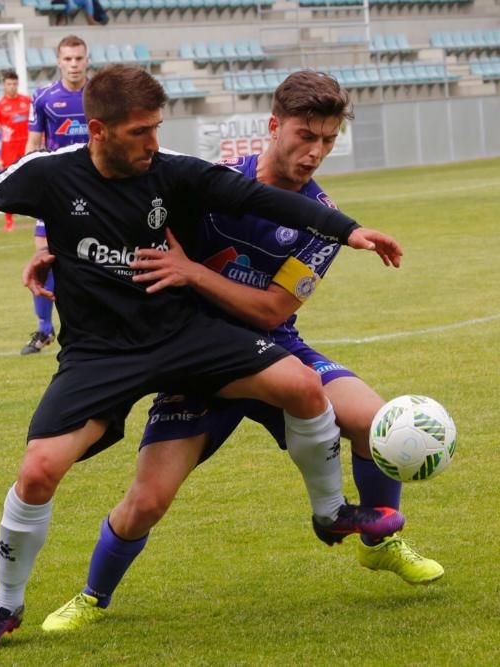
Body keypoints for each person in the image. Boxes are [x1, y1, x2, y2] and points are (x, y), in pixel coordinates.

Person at [0, 64, 405, 655]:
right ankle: (5, 604)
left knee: (303, 386)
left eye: (157, 128)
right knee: (38, 473)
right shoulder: (50, 174)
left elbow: (262, 198)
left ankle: (332, 513)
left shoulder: (170, 172)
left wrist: (352, 231)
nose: (153, 143)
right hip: (99, 355)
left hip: (183, 332)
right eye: (140, 132)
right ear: (99, 130)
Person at [22, 70, 443, 634]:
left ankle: (378, 542)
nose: (314, 152)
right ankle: (92, 597)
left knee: (376, 421)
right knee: (147, 501)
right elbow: (121, 219)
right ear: (273, 126)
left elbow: (271, 311)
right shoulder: (207, 182)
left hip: (271, 347)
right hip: (188, 354)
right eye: (304, 136)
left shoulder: (320, 221)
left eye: (327, 141)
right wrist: (59, 254)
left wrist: (193, 272)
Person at [20, 34, 92, 355]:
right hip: (56, 193)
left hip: (97, 192)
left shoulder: (102, 95)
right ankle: (44, 330)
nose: (74, 64)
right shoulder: (44, 98)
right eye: (68, 59)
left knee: (99, 260)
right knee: (44, 259)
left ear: (87, 59)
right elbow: (33, 146)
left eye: (78, 58)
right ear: (59, 61)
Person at [0, 70, 32, 232]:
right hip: (9, 147)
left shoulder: (28, 101)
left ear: (17, 84)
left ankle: (35, 212)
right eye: (8, 84)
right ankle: (9, 220)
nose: (12, 87)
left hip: (27, 144)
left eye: (14, 84)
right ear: (4, 85)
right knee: (8, 180)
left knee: (33, 177)